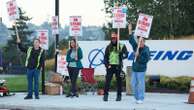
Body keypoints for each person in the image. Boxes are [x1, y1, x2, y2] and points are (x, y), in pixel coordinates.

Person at [128, 23, 150, 104]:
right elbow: (131, 40)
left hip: (141, 70)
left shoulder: (146, 49)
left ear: (144, 41)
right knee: (133, 84)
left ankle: (141, 98)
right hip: (134, 69)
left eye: (142, 41)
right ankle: (136, 97)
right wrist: (130, 30)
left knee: (140, 85)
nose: (140, 43)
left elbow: (146, 59)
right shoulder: (136, 46)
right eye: (139, 41)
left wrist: (138, 56)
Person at [103, 31, 128, 101]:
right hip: (110, 66)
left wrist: (121, 53)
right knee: (107, 81)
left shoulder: (122, 45)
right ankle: (105, 95)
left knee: (119, 82)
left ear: (117, 38)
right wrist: (107, 65)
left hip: (118, 66)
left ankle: (119, 96)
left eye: (114, 38)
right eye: (112, 38)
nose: (113, 39)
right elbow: (105, 57)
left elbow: (126, 55)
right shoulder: (108, 47)